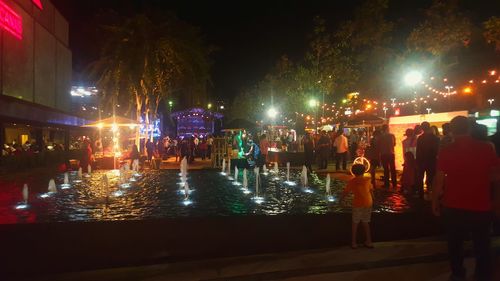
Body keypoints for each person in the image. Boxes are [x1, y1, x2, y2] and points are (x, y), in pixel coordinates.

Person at [432, 116, 499, 281]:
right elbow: (496, 176)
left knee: (455, 244)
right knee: (482, 244)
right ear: (469, 128)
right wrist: (496, 199)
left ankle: (458, 273)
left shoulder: (446, 151)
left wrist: (434, 201)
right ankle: (483, 274)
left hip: (454, 204)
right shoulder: (486, 148)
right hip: (481, 204)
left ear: (451, 130)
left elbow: (439, 180)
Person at [341, 163, 374, 249]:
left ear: (353, 172)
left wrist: (340, 200)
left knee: (355, 223)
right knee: (366, 222)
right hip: (368, 202)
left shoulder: (352, 181)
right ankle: (369, 242)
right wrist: (374, 199)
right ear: (364, 171)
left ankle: (354, 243)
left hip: (358, 204)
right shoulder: (368, 179)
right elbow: (371, 190)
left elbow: (345, 192)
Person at [415, 121, 440, 198]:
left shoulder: (420, 138)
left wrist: (417, 161)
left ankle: (421, 193)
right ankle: (432, 193)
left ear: (422, 128)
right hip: (432, 160)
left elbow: (418, 151)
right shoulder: (436, 138)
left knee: (420, 177)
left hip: (422, 161)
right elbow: (437, 150)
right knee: (431, 177)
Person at [378, 124, 397, 189]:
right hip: (391, 153)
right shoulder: (392, 135)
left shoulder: (380, 137)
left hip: (383, 154)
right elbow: (394, 144)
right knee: (392, 169)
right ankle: (394, 184)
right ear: (387, 128)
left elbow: (378, 145)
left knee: (386, 169)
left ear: (382, 129)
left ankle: (387, 184)